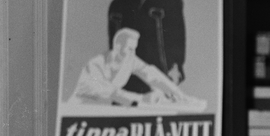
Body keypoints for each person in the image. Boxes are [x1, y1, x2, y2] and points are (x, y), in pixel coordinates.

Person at [107, 0, 187, 93]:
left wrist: (176, 67)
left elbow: (177, 35)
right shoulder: (119, 4)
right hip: (128, 82)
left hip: (161, 79)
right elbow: (114, 47)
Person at [70, 27, 206, 110]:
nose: (133, 53)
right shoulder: (96, 64)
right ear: (117, 46)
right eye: (130, 49)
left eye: (134, 49)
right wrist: (144, 99)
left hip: (101, 111)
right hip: (78, 110)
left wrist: (180, 95)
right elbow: (113, 93)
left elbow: (153, 75)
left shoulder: (129, 59)